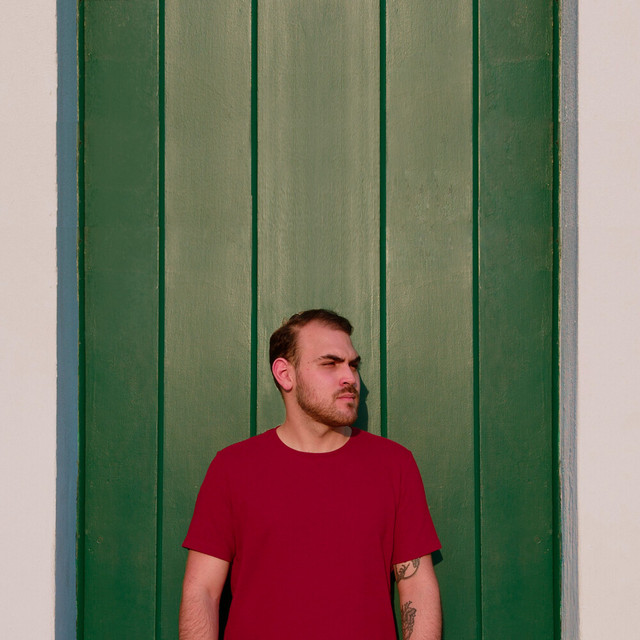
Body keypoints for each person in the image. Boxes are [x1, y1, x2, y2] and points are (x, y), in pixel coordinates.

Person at [179, 309, 442, 639]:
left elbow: (417, 587)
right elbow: (202, 592)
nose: (350, 378)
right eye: (330, 364)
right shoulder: (233, 468)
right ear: (285, 374)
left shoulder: (394, 465)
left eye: (353, 365)